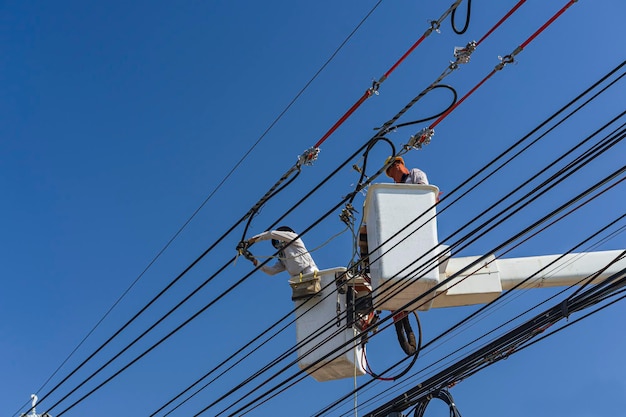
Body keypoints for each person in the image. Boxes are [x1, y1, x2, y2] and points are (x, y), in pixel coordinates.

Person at [243, 226, 318, 277]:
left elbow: (272, 234)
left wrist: (249, 241)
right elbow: (272, 271)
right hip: (297, 280)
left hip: (309, 272)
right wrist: (253, 260)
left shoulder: (293, 237)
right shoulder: (283, 256)